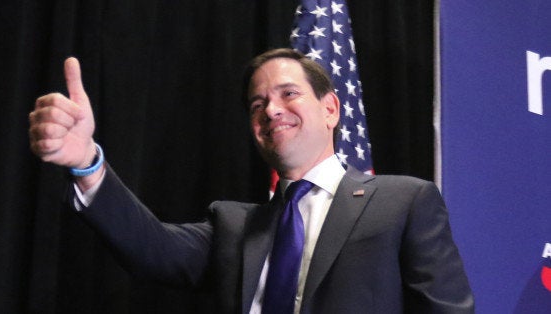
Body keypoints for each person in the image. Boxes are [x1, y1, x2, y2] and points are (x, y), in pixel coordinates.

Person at [29, 48, 474, 313]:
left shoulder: (403, 201)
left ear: (331, 109)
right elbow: (152, 249)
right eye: (257, 103)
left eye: (288, 94)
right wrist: (87, 161)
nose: (271, 110)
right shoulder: (235, 227)